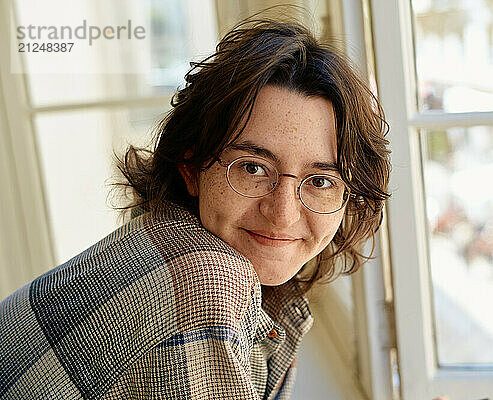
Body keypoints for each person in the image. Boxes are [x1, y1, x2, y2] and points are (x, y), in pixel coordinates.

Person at [0, 18, 390, 399]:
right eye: (253, 168)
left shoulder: (180, 248)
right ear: (191, 168)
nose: (284, 213)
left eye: (320, 181)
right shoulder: (204, 282)